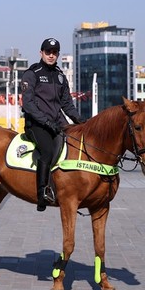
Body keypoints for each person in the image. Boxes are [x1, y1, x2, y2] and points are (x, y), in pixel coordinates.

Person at [21, 38, 84, 211]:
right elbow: (28, 104)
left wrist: (82, 122)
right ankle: (42, 193)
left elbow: (67, 105)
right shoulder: (32, 73)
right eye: (48, 52)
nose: (51, 55)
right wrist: (46, 122)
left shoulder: (60, 76)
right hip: (37, 124)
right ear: (41, 53)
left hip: (58, 124)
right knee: (47, 152)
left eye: (54, 52)